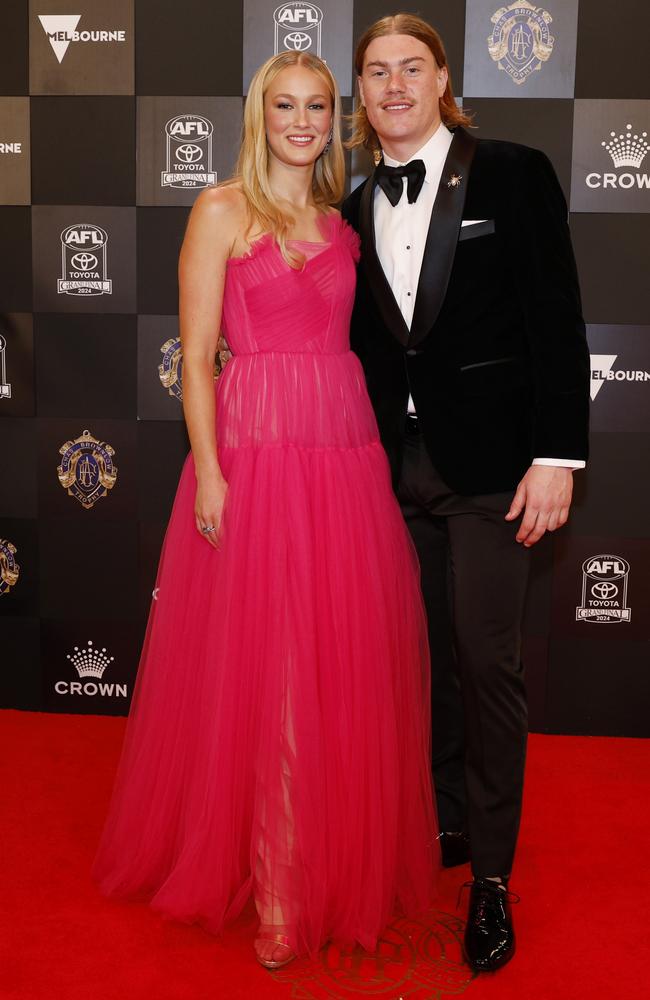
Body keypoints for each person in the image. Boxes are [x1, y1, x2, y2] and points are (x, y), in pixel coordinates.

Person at [92, 50, 438, 970]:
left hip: (342, 452)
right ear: (260, 115)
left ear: (336, 118)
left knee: (334, 662)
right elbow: (199, 354)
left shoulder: (341, 220)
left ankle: (313, 854)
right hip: (252, 452)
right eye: (283, 104)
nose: (300, 120)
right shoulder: (219, 210)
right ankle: (280, 882)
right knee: (272, 665)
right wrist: (209, 472)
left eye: (316, 106)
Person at [342, 13, 589, 973]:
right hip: (386, 474)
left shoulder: (515, 172)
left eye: (411, 67)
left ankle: (490, 877)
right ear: (360, 94)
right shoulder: (355, 203)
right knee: (420, 666)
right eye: (375, 71)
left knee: (488, 670)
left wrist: (557, 457)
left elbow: (557, 320)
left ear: (443, 77)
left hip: (493, 473)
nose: (394, 85)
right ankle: (443, 822)